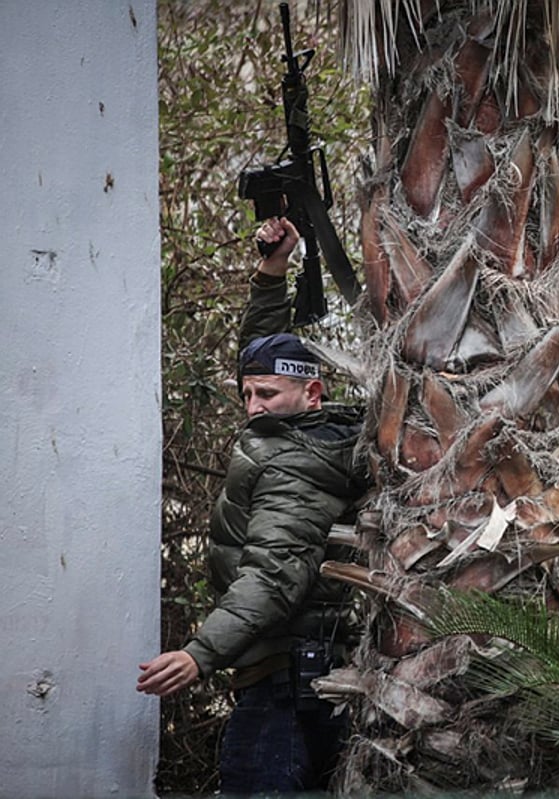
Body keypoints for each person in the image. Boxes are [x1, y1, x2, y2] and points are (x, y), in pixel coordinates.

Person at [138, 217, 367, 793]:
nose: (252, 406)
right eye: (246, 394)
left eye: (265, 395)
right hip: (295, 675)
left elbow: (273, 575)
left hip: (284, 689)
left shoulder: (296, 466)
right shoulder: (296, 428)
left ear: (311, 393)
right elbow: (263, 356)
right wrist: (272, 271)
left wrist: (199, 655)